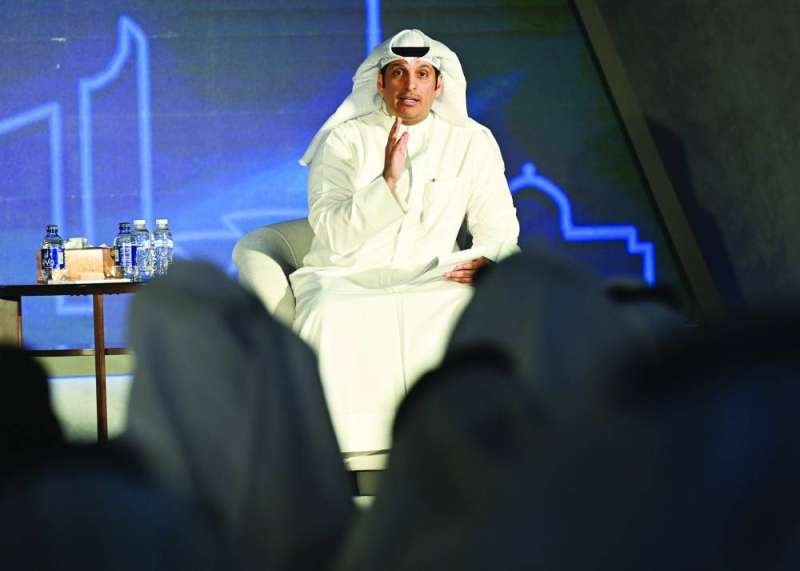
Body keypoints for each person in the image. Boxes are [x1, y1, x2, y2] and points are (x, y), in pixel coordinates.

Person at [292, 29, 520, 453]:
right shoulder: (343, 141)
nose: (410, 85)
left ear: (439, 84)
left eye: (422, 74)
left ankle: (462, 443)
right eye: (398, 72)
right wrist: (388, 183)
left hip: (430, 275)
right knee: (329, 313)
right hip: (347, 276)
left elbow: (498, 223)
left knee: (468, 305)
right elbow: (332, 232)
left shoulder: (471, 141)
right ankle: (341, 452)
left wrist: (489, 259)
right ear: (380, 82)